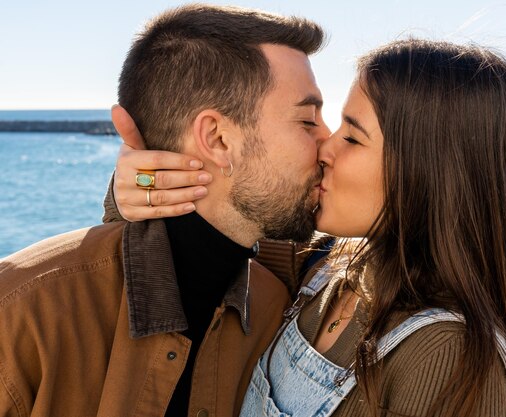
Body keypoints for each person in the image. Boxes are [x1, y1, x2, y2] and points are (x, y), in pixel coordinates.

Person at [111, 39, 506, 417]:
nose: (325, 148)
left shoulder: (448, 357)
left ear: (428, 172)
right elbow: (210, 236)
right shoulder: (327, 269)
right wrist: (139, 186)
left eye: (352, 136)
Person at [0, 5, 331, 417]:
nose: (329, 143)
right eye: (308, 120)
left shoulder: (274, 309)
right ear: (218, 139)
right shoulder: (20, 312)